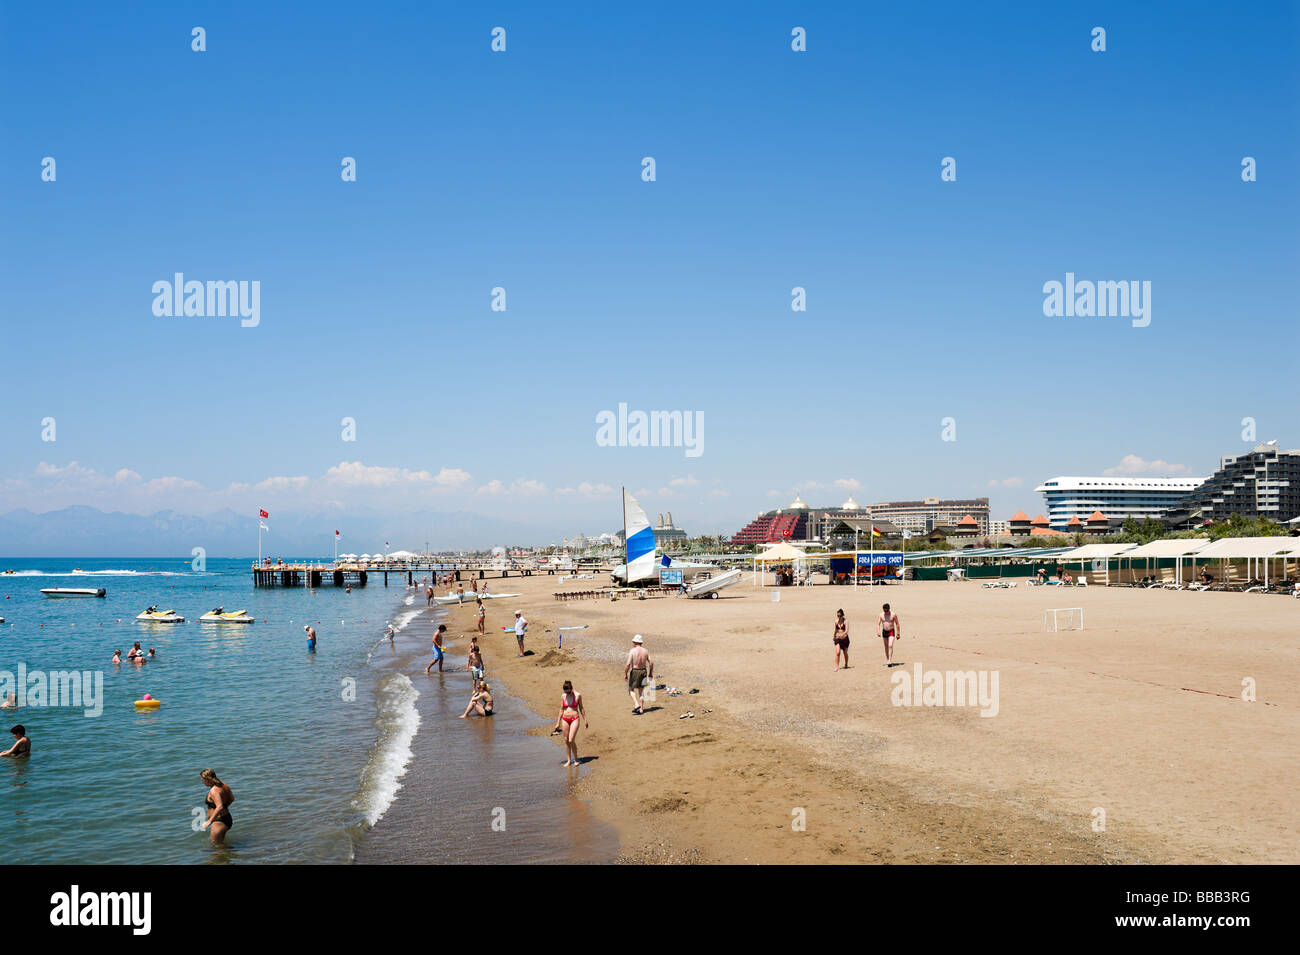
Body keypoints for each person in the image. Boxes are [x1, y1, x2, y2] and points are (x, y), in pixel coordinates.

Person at [553, 680, 587, 767]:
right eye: (565, 691)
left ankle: (576, 759)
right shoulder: (563, 696)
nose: (567, 693)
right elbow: (561, 709)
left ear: (571, 689)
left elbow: (581, 708)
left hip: (575, 718)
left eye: (568, 691)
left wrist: (585, 720)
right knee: (566, 740)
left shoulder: (578, 695)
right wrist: (557, 723)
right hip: (565, 719)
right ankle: (568, 760)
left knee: (571, 739)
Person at [199, 768, 234, 845]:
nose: (202, 782)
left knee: (215, 847)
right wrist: (225, 807)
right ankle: (230, 855)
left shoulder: (214, 791)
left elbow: (219, 806)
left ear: (207, 779)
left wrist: (209, 822)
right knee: (221, 845)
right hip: (227, 818)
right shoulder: (224, 785)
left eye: (202, 780)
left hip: (219, 821)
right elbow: (231, 799)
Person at [624, 634, 653, 715]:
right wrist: (650, 673)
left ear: (635, 642)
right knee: (641, 691)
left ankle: (636, 705)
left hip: (635, 671)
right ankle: (641, 709)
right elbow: (651, 662)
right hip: (644, 671)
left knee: (630, 689)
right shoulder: (645, 651)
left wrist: (625, 673)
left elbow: (628, 664)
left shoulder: (632, 651)